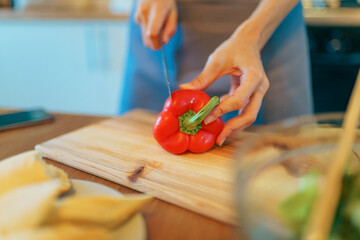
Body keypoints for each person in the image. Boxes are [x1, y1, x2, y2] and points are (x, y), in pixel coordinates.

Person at [121, 0, 313, 146]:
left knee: (282, 157)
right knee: (135, 146)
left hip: (270, 16)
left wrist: (252, 36)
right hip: (164, 16)